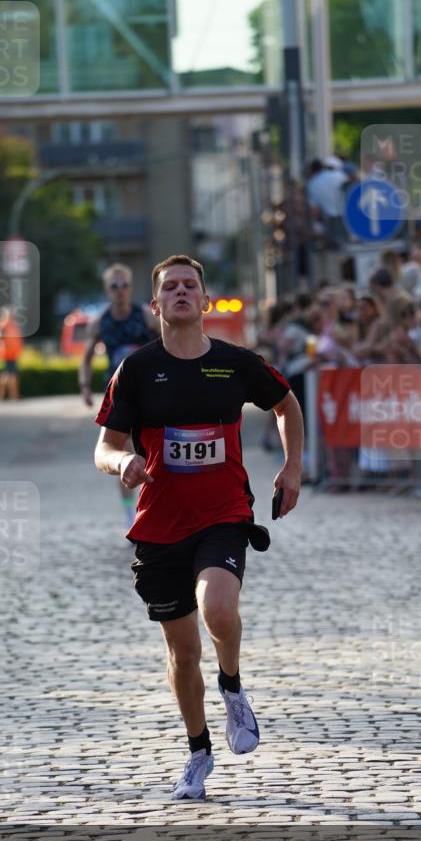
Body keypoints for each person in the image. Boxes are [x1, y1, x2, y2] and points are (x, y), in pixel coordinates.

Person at [93, 254, 303, 800]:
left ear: (206, 301)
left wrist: (292, 467)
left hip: (223, 514)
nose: (181, 292)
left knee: (218, 609)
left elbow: (286, 405)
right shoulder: (136, 370)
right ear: (155, 304)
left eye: (190, 285)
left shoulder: (235, 363)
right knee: (183, 654)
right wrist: (123, 462)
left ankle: (231, 684)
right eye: (171, 287)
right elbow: (105, 447)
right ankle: (198, 751)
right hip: (160, 524)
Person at [80, 263, 157, 529]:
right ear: (107, 290)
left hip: (151, 391)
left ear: (131, 287)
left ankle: (153, 506)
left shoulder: (145, 315)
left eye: (124, 285)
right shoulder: (100, 322)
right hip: (118, 396)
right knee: (124, 455)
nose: (120, 290)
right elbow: (87, 358)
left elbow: (170, 342)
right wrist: (85, 386)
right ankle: (130, 514)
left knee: (153, 451)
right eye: (114, 286)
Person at [0, 307, 23, 400]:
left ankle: (1, 395)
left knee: (7, 375)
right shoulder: (2, 324)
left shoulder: (13, 324)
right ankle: (14, 396)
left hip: (13, 354)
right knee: (11, 375)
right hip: (7, 354)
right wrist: (1, 336)